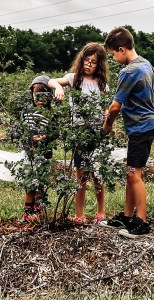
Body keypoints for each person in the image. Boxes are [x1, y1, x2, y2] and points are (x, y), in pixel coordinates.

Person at [100, 26, 154, 238]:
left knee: (133, 175)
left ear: (121, 49)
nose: (113, 59)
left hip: (141, 127)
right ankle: (127, 216)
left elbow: (114, 107)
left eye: (112, 54)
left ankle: (141, 222)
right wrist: (141, 92)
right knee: (131, 173)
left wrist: (108, 124)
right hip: (144, 126)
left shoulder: (128, 71)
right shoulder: (145, 64)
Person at [48, 42, 110, 224]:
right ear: (81, 60)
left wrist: (107, 119)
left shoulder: (102, 84)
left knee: (98, 174)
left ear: (99, 65)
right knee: (81, 174)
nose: (89, 64)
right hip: (79, 132)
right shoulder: (73, 78)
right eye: (87, 60)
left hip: (97, 132)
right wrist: (58, 87)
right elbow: (49, 81)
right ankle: (80, 215)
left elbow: (106, 108)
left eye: (93, 62)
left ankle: (101, 213)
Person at [19, 74, 55, 224]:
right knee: (29, 183)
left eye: (42, 95)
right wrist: (29, 140)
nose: (38, 99)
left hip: (44, 155)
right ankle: (27, 212)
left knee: (41, 183)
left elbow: (55, 132)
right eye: (35, 95)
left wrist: (45, 138)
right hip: (29, 154)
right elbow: (22, 130)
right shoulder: (26, 111)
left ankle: (38, 212)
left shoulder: (51, 114)